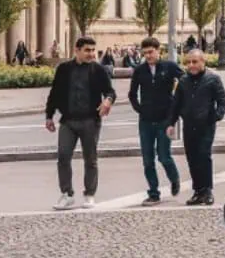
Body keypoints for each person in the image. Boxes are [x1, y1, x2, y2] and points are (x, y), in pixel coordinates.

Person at [45, 35, 116, 210]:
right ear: (76, 50)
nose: (91, 54)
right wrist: (49, 116)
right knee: (63, 156)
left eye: (93, 50)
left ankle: (90, 194)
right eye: (87, 50)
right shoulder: (64, 69)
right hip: (68, 121)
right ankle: (67, 194)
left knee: (90, 159)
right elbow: (54, 94)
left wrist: (108, 101)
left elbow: (110, 91)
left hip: (90, 121)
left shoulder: (98, 70)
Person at [168, 49, 225, 206]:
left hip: (206, 126)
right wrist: (171, 122)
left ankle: (207, 191)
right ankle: (197, 191)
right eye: (188, 62)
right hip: (189, 125)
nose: (191, 65)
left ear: (203, 62)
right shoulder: (183, 81)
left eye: (194, 62)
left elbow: (222, 101)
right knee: (192, 158)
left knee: (203, 156)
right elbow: (176, 103)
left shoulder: (213, 79)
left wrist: (215, 116)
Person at [128, 36, 183, 205]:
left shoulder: (169, 67)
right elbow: (132, 94)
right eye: (145, 53)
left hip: (164, 120)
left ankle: (174, 179)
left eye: (151, 52)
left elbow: (185, 83)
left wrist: (175, 106)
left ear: (158, 51)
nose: (148, 56)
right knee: (147, 159)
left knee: (164, 156)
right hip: (145, 121)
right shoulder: (140, 70)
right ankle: (153, 192)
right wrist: (140, 108)